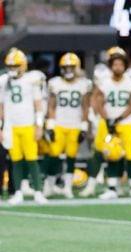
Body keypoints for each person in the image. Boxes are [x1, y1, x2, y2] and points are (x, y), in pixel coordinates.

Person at [90, 47, 131, 199]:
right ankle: (112, 187)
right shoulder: (105, 82)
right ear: (110, 66)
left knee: (130, 154)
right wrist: (107, 118)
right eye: (115, 64)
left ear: (125, 66)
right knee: (110, 152)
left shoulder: (130, 81)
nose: (117, 67)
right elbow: (97, 101)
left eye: (120, 64)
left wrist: (119, 118)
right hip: (108, 122)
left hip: (125, 122)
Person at [1, 48, 47, 205]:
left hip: (28, 124)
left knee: (32, 159)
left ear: (23, 65)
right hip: (11, 126)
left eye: (15, 66)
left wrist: (39, 125)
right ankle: (18, 192)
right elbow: (1, 107)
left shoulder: (31, 80)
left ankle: (38, 191)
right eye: (11, 66)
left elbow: (38, 105)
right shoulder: (3, 81)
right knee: (15, 160)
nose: (12, 69)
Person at [43, 53, 92, 199]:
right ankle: (49, 185)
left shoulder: (83, 84)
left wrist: (83, 127)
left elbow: (85, 106)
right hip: (59, 123)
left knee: (71, 157)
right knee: (54, 155)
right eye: (66, 67)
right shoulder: (55, 83)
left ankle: (68, 187)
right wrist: (50, 125)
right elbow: (51, 105)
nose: (69, 70)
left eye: (71, 67)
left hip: (75, 124)